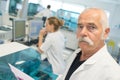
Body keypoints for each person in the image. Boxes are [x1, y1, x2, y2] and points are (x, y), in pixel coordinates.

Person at [57, 8, 120, 80]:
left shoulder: (113, 74)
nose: (82, 33)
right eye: (80, 26)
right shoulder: (77, 53)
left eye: (92, 27)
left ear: (105, 33)